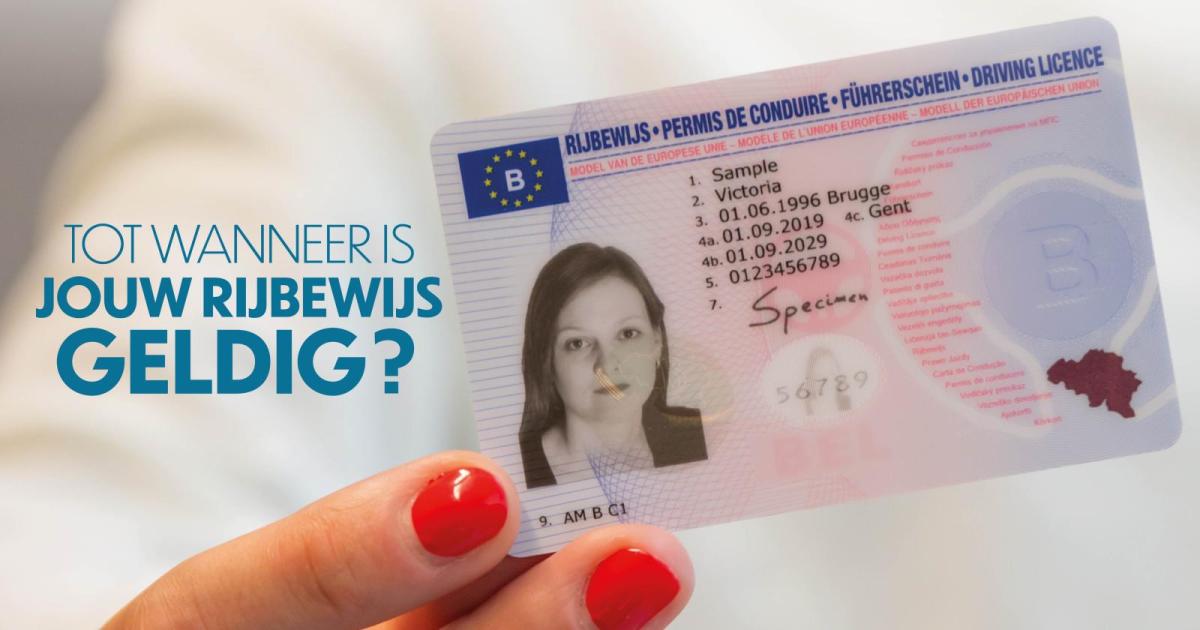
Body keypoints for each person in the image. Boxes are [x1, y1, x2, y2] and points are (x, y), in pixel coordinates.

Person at [518, 244, 707, 489]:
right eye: (577, 343)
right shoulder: (514, 467)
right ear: (547, 361)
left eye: (628, 334)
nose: (607, 365)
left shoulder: (700, 435)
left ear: (657, 341)